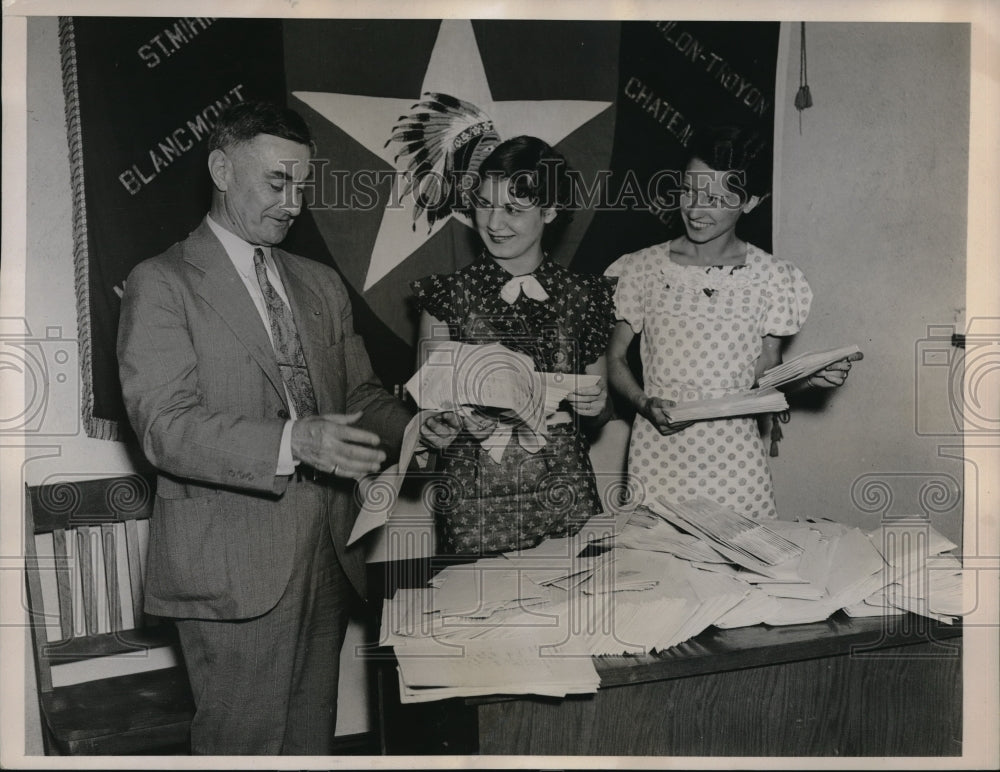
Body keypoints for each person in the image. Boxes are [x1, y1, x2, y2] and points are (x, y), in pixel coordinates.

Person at [116, 100, 411, 755]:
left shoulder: (321, 284)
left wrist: (426, 426)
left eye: (302, 186)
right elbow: (165, 428)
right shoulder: (161, 283)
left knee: (310, 741)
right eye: (278, 182)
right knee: (242, 749)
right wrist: (293, 442)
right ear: (222, 168)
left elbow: (358, 396)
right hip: (233, 564)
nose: (293, 202)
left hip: (330, 548)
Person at [605, 124, 861, 520]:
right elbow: (617, 358)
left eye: (715, 198)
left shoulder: (773, 277)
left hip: (734, 458)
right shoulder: (641, 267)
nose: (695, 209)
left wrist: (809, 380)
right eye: (688, 191)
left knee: (743, 570)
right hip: (656, 450)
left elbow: (765, 376)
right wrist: (643, 402)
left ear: (751, 201)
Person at [412, 136, 616, 555]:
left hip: (568, 495)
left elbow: (601, 409)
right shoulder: (447, 297)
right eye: (485, 204)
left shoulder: (585, 296)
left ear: (550, 210)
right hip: (474, 505)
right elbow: (431, 412)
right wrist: (454, 421)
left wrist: (597, 408)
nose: (493, 222)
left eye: (513, 210)